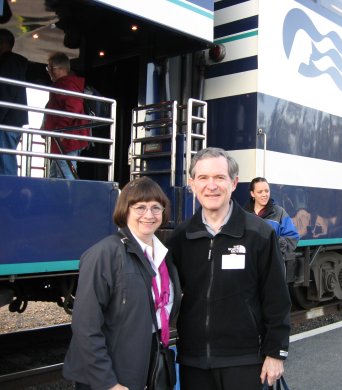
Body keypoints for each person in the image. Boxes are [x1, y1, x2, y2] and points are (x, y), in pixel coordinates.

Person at [166, 147, 291, 390]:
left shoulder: (259, 233)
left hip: (244, 359)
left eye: (219, 177)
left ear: (233, 183)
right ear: (192, 184)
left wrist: (276, 352)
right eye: (203, 178)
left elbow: (277, 297)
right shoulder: (182, 237)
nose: (211, 186)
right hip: (194, 361)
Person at [62, 177, 182, 390]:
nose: (149, 215)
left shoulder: (163, 255)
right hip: (112, 376)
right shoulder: (104, 254)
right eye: (140, 207)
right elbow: (86, 325)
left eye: (156, 207)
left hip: (146, 366)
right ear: (125, 210)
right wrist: (108, 382)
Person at [42, 52, 90, 179]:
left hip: (66, 139)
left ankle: (69, 198)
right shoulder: (70, 84)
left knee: (65, 174)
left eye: (51, 68)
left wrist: (60, 130)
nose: (49, 72)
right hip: (66, 138)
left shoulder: (65, 84)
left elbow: (73, 108)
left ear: (62, 69)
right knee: (57, 174)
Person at [244, 177, 300, 257]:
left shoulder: (279, 212)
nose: (264, 195)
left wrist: (274, 245)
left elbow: (293, 237)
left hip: (272, 264)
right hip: (250, 264)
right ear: (252, 193)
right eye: (260, 192)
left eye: (267, 191)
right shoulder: (244, 215)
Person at [0, 28, 28, 175]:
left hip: (6, 120)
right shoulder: (16, 63)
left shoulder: (7, 63)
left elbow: (5, 91)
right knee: (6, 158)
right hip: (13, 120)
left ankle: (9, 194)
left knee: (5, 161)